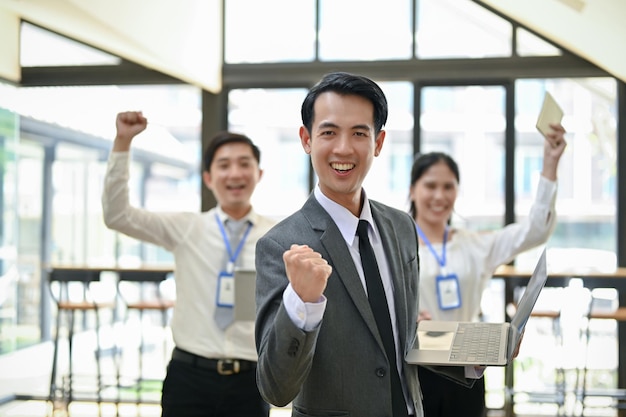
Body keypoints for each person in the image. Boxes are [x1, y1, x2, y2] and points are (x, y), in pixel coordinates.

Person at [254, 72, 485, 417]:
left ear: (378, 143)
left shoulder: (401, 226)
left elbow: (398, 341)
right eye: (329, 132)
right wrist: (301, 303)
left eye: (359, 133)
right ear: (306, 139)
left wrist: (477, 351)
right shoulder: (281, 244)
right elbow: (276, 388)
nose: (344, 148)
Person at [102, 111, 276, 417]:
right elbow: (117, 215)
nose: (235, 174)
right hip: (189, 376)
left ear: (259, 174)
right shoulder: (186, 228)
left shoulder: (278, 236)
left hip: (251, 381)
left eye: (244, 164)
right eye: (224, 165)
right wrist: (123, 142)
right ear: (208, 178)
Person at [409, 124, 567, 417]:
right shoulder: (395, 244)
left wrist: (550, 164)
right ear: (413, 190)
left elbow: (536, 230)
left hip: (468, 367)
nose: (439, 196)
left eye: (448, 186)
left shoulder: (475, 244)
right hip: (415, 371)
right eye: (430, 185)